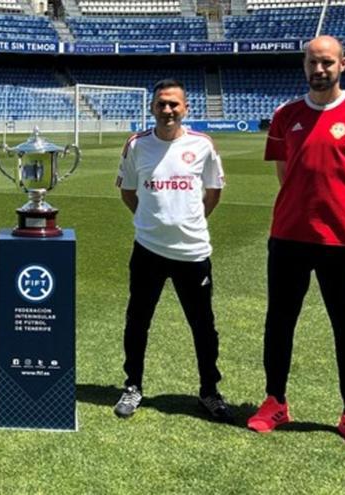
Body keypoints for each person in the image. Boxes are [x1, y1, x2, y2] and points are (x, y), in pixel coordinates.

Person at [247, 36, 345, 451]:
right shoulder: (285, 114)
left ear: (343, 64)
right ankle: (275, 400)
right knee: (279, 322)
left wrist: (342, 213)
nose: (318, 69)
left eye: (327, 62)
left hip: (342, 241)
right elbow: (285, 173)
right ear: (304, 65)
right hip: (288, 236)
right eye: (312, 62)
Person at [113, 79, 232, 422]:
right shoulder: (136, 145)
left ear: (185, 109)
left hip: (192, 251)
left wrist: (186, 222)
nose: (168, 110)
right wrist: (153, 221)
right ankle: (133, 385)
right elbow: (128, 192)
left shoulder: (203, 145)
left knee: (203, 326)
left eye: (174, 105)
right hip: (148, 249)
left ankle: (209, 391)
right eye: (162, 104)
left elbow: (213, 192)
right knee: (137, 320)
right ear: (152, 108)